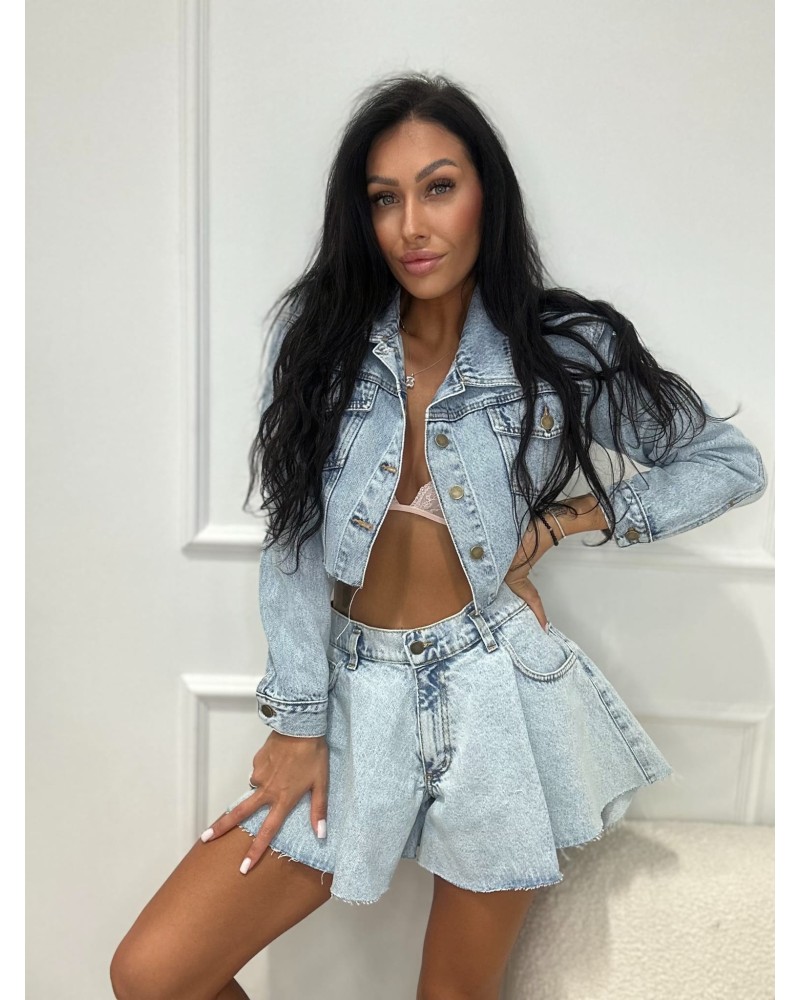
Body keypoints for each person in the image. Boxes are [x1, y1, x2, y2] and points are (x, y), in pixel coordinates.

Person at [110, 72, 768, 1000]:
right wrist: (298, 724)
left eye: (439, 187)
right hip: (353, 696)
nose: (411, 226)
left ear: (486, 196)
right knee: (156, 974)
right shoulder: (322, 342)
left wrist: (566, 521)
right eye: (385, 198)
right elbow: (294, 537)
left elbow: (727, 462)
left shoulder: (559, 346)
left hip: (496, 689)